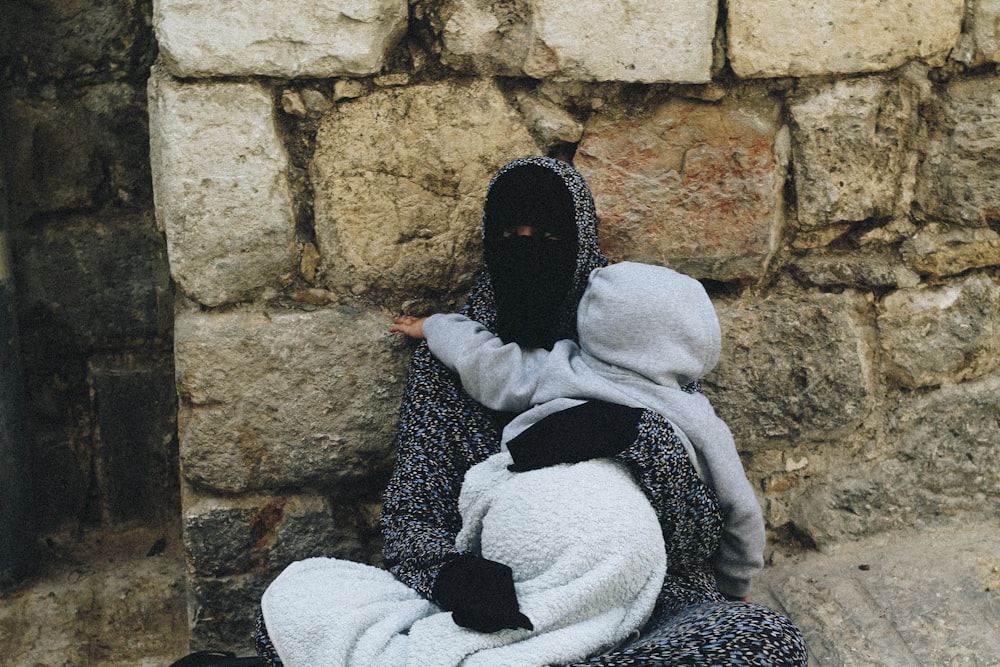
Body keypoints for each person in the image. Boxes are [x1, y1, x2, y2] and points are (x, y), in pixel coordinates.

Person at [251, 156, 807, 666]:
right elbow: (412, 517)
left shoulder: (632, 342)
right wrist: (451, 577)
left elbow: (703, 539)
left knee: (764, 642)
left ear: (582, 241)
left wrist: (643, 444)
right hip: (496, 612)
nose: (527, 250)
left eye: (548, 237)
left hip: (644, 600)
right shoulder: (453, 365)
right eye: (509, 237)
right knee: (283, 619)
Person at [388, 259, 765, 605]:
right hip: (625, 539)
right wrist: (734, 584)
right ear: (693, 339)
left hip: (527, 500)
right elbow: (741, 509)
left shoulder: (560, 367)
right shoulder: (694, 414)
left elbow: (485, 361)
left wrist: (436, 325)